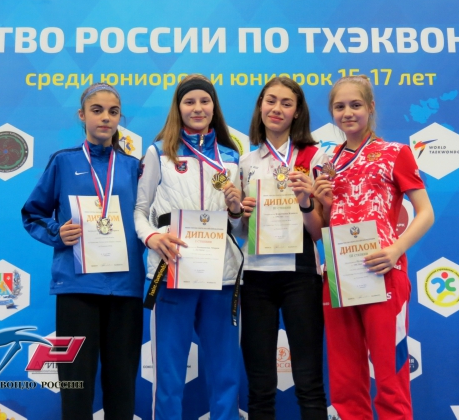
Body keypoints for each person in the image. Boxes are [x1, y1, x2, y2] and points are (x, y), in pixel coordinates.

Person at [313, 75, 434, 420]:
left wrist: (395, 251)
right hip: (338, 276)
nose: (348, 113)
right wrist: (322, 203)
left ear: (370, 107)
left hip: (383, 271)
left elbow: (426, 213)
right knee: (345, 379)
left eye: (355, 105)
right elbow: (323, 227)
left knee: (389, 374)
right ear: (332, 112)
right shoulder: (326, 162)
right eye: (340, 107)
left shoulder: (395, 152)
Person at [21, 83, 145, 420]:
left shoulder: (134, 167)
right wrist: (57, 232)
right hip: (77, 288)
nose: (105, 117)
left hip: (125, 288)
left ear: (120, 117)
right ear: (82, 115)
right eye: (97, 110)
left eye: (113, 112)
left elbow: (149, 219)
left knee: (122, 385)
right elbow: (33, 213)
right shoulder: (64, 162)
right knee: (75, 385)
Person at [134, 74, 244, 420]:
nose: (198, 108)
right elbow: (139, 210)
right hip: (172, 270)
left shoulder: (231, 158)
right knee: (168, 371)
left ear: (214, 107)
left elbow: (238, 228)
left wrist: (236, 209)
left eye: (204, 101)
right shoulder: (158, 152)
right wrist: (152, 238)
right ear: (178, 108)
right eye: (190, 101)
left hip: (221, 276)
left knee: (225, 370)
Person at [236, 76, 327, 419]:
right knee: (259, 386)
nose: (277, 109)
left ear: (297, 112)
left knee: (309, 381)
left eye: (286, 103)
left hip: (301, 275)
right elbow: (239, 230)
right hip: (255, 277)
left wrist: (305, 201)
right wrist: (240, 213)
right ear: (260, 105)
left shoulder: (315, 157)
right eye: (270, 100)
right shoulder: (245, 162)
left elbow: (318, 233)